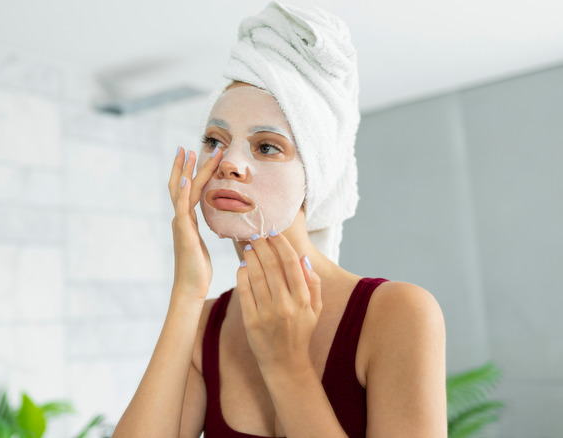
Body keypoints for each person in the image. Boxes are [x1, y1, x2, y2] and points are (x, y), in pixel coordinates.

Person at [114, 3, 446, 437]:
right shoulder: (204, 327)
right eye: (215, 140)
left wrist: (286, 366)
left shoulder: (397, 315)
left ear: (314, 175)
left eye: (267, 147)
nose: (228, 162)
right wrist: (187, 294)